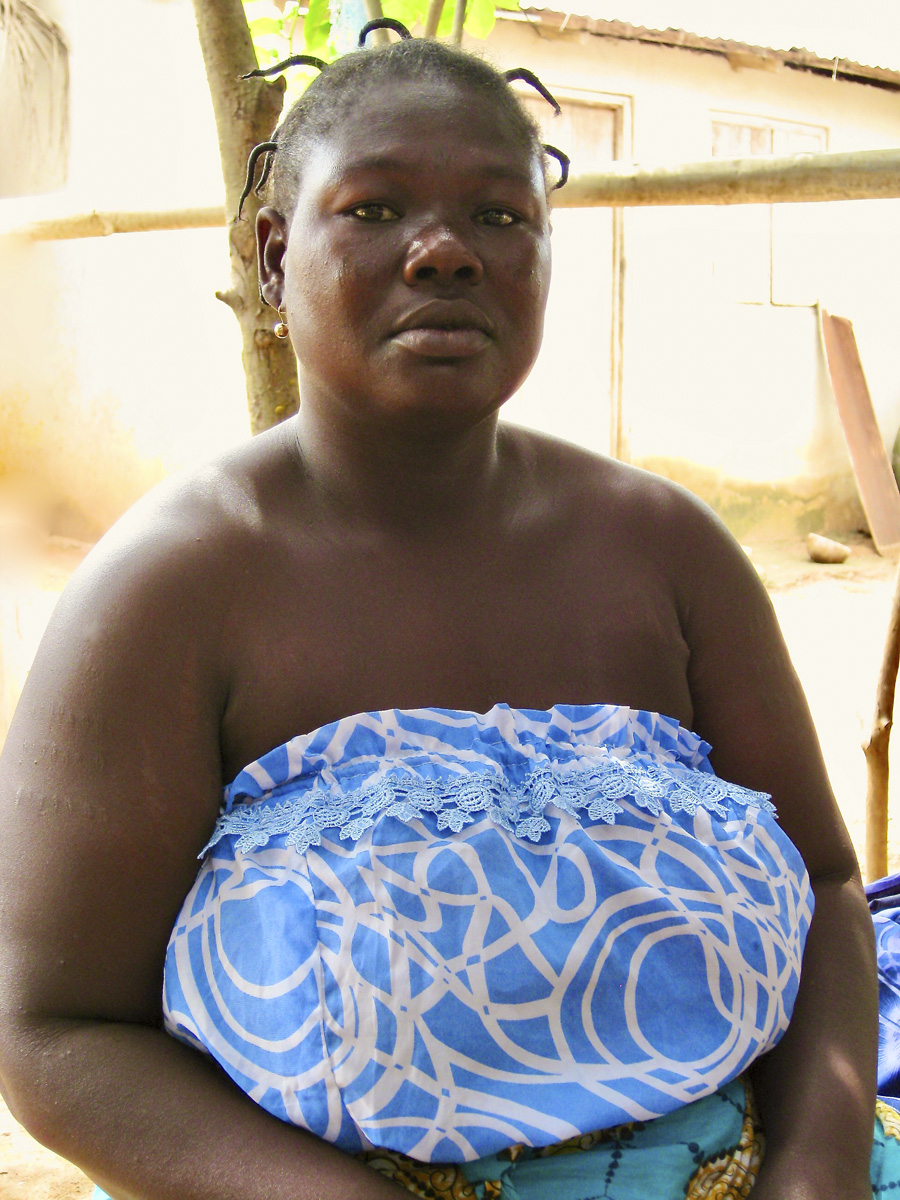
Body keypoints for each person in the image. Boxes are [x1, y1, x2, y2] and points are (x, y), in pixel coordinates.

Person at [0, 29, 896, 1200]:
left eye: (499, 216)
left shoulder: (669, 553)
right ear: (274, 257)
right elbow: (54, 1033)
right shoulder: (167, 598)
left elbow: (830, 886)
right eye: (373, 211)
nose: (444, 254)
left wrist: (817, 1171)